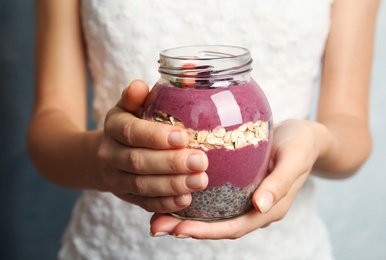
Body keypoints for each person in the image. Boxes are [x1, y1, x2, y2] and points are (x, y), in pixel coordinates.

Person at [27, 0, 379, 259]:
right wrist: (103, 161)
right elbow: (48, 130)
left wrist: (315, 140)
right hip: (112, 244)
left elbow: (350, 130)